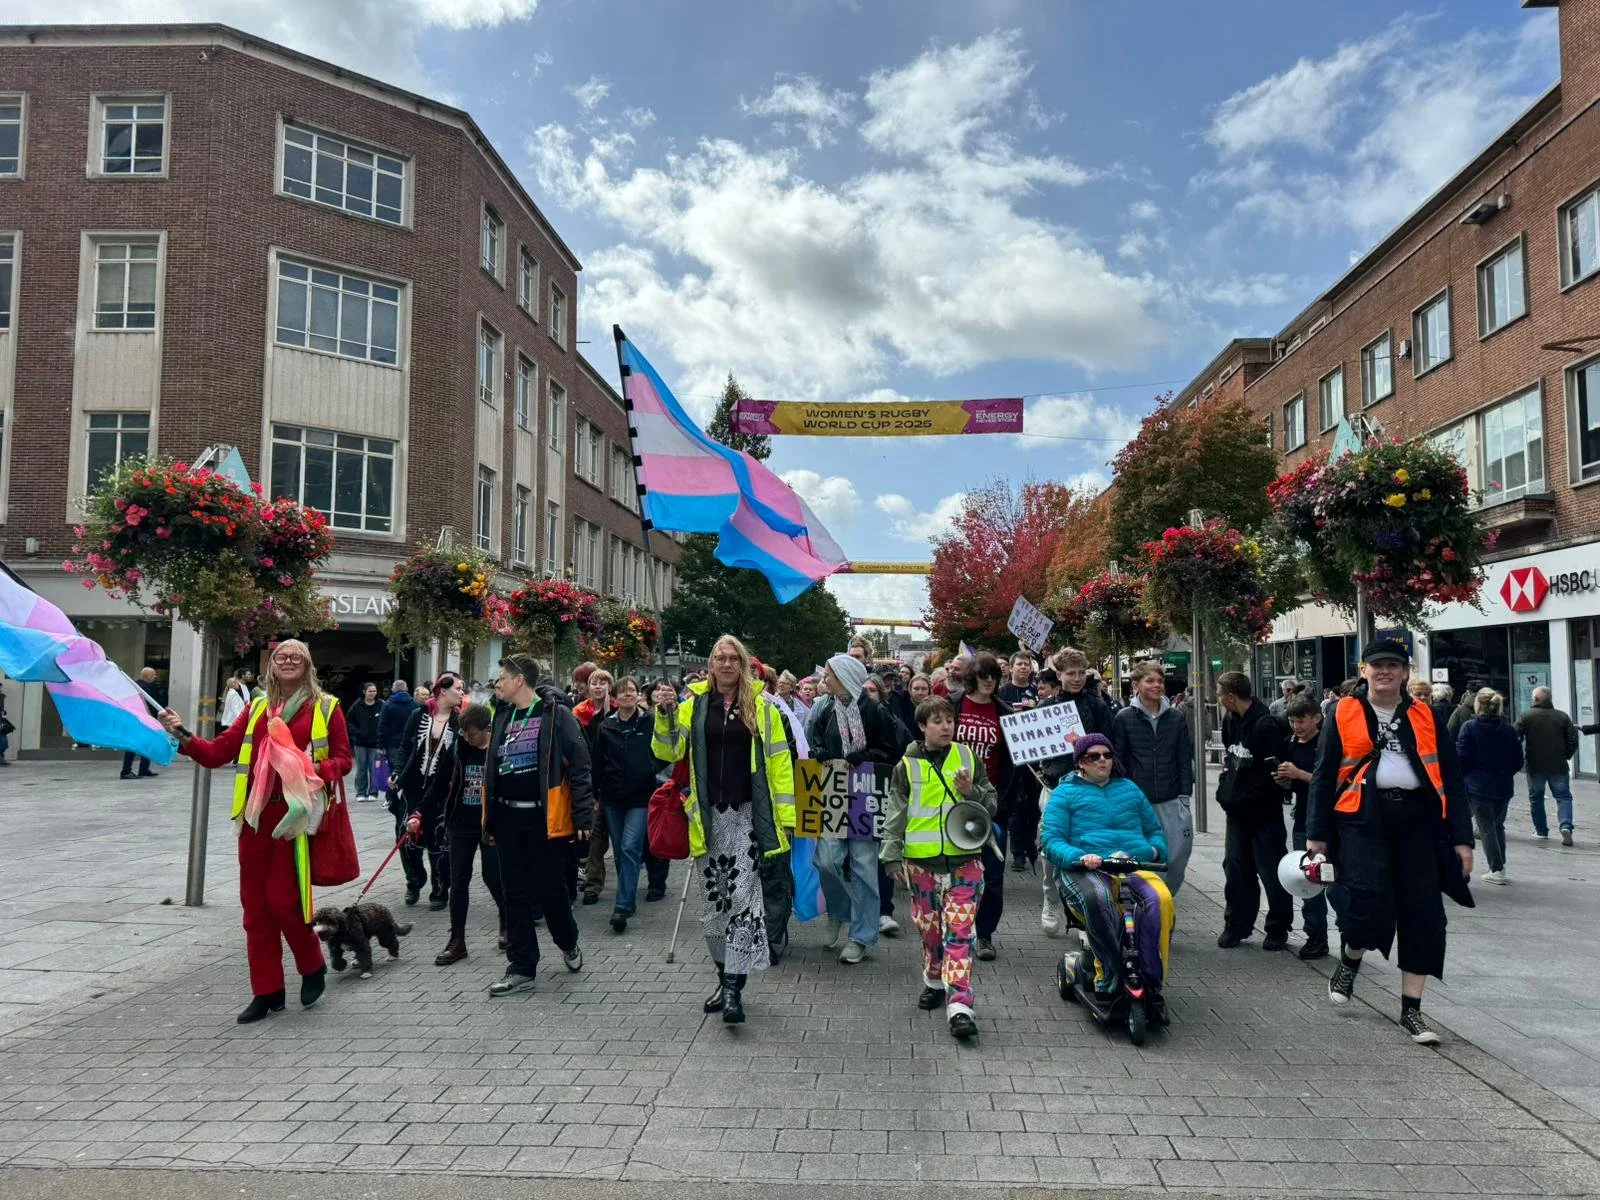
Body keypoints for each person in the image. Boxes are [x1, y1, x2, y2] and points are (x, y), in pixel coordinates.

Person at [160, 639, 348, 1023]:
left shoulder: (326, 707)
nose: (289, 660)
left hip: (294, 824)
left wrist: (313, 769)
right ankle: (267, 991)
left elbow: (344, 760)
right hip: (255, 821)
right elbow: (218, 753)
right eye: (282, 656)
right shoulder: (257, 708)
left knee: (284, 904)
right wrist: (182, 735)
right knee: (255, 911)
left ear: (308, 664)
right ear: (271, 665)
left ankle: (311, 965)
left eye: (296, 656)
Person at [1307, 639, 1473, 1044]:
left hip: (1418, 821)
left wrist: (1462, 839)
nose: (1385, 671)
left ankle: (1411, 1012)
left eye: (1393, 665)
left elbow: (1451, 778)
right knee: (1367, 904)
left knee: (1424, 915)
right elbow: (1325, 773)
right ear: (1364, 671)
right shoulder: (1343, 711)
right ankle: (1351, 955)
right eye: (1377, 665)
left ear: (1405, 673)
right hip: (1361, 819)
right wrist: (1317, 836)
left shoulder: (1425, 715)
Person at [651, 634, 793, 1025]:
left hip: (747, 818)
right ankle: (721, 976)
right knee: (715, 906)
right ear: (711, 664)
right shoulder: (693, 705)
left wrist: (785, 818)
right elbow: (668, 751)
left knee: (744, 904)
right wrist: (663, 714)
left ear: (743, 664)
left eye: (733, 658)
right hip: (707, 818)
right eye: (719, 657)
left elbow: (780, 764)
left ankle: (734, 987)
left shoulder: (762, 707)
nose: (726, 664)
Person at [879, 695, 996, 1040]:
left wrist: (970, 790)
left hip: (966, 861)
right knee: (931, 934)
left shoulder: (967, 757)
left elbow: (992, 802)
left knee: (959, 933)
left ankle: (959, 1005)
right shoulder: (906, 765)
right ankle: (933, 978)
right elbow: (895, 812)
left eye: (950, 720)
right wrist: (890, 855)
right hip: (922, 864)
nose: (946, 727)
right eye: (937, 721)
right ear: (922, 727)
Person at [481, 653, 593, 997]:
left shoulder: (556, 715)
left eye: (502, 677)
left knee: (551, 891)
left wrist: (583, 816)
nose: (498, 682)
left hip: (545, 818)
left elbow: (579, 764)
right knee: (513, 894)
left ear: (519, 680)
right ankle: (521, 967)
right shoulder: (500, 715)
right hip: (507, 817)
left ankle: (568, 941)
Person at [1040, 733, 1171, 1016]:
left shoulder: (1130, 789)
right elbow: (1050, 840)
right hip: (1087, 869)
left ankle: (1150, 978)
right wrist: (1079, 857)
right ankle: (1110, 975)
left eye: (1107, 755)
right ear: (1080, 764)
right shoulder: (1065, 793)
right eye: (1094, 756)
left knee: (1160, 899)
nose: (1102, 760)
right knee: (1098, 897)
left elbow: (1155, 833)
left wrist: (1154, 852)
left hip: (1130, 865)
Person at [811, 652, 900, 963]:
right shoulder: (826, 709)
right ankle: (838, 910)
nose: (825, 681)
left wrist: (865, 756)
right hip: (834, 790)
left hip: (864, 794)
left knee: (863, 868)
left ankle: (861, 937)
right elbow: (817, 740)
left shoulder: (875, 711)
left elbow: (892, 749)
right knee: (826, 860)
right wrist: (821, 752)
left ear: (845, 678)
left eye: (830, 676)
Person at [1215, 671, 1294, 951]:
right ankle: (1237, 925)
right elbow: (1231, 758)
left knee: (1271, 871)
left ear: (1230, 696)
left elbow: (1274, 772)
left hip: (1264, 813)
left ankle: (1277, 928)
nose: (1219, 698)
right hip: (1237, 813)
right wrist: (1226, 789)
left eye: (1220, 693)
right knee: (1235, 868)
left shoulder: (1266, 725)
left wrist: (1248, 797)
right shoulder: (1230, 721)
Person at [430, 702, 505, 965]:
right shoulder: (458, 749)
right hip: (459, 823)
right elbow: (439, 784)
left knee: (493, 877)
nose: (467, 738)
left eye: (472, 734)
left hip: (490, 825)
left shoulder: (498, 750)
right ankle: (457, 940)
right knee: (458, 881)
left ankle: (506, 920)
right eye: (463, 734)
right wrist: (419, 812)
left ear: (487, 729)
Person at [1110, 661, 1194, 895]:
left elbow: (1184, 757)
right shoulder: (1124, 718)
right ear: (1136, 685)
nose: (1157, 685)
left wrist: (1185, 795)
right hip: (1138, 799)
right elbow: (1119, 759)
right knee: (1143, 855)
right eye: (1150, 681)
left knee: (1177, 856)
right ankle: (1149, 903)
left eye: (1160, 681)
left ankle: (1167, 896)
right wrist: (1123, 794)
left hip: (1171, 798)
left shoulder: (1176, 717)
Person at [953, 653, 1016, 961]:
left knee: (992, 875)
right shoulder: (953, 706)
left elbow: (1013, 763)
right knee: (957, 873)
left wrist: (1002, 801)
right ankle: (958, 930)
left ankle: (986, 934)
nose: (989, 680)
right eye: (982, 674)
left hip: (991, 804)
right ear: (971, 677)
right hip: (951, 804)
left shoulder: (1004, 713)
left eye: (993, 675)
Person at [592, 677, 660, 933]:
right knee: (620, 851)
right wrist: (594, 794)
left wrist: (652, 771)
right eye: (623, 692)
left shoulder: (649, 722)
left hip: (640, 797)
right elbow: (596, 761)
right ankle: (627, 895)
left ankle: (622, 905)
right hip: (612, 797)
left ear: (638, 694)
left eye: (632, 690)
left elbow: (662, 753)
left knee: (631, 847)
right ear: (615, 696)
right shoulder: (606, 726)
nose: (628, 695)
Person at [395, 673, 465, 910]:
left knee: (439, 840)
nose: (462, 692)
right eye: (458, 688)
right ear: (443, 691)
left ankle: (439, 887)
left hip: (442, 790)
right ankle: (414, 880)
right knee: (406, 838)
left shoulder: (460, 721)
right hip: (413, 786)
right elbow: (405, 747)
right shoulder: (418, 715)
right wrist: (398, 771)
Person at [1274, 697, 1328, 959]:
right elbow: (1293, 784)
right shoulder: (1289, 745)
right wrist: (1284, 781)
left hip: (1331, 821)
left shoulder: (1327, 743)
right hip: (1303, 819)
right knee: (1308, 880)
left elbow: (1333, 782)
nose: (1296, 726)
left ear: (1316, 718)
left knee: (1337, 884)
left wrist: (1300, 774)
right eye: (1292, 721)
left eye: (1301, 720)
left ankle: (1352, 934)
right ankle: (1315, 936)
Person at [1457, 688, 1523, 884]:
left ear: (1478, 705)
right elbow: (1518, 759)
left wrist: (1465, 775)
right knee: (1497, 826)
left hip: (1477, 785)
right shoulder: (1508, 729)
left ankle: (1496, 868)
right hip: (1503, 785)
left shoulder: (1469, 727)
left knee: (1486, 827)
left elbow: (1462, 756)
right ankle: (1500, 865)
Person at [1516, 686, 1579, 845]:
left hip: (1535, 765)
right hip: (1558, 764)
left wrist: (1520, 758)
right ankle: (1565, 825)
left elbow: (1515, 738)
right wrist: (1566, 755)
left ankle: (1541, 831)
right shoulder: (1562, 717)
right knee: (1563, 797)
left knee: (1536, 798)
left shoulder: (1526, 716)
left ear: (1536, 699)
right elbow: (1573, 740)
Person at [576, 669, 617, 907]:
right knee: (595, 836)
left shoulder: (617, 711)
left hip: (614, 780)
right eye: (594, 683)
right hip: (590, 779)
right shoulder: (580, 713)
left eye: (603, 682)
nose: (598, 687)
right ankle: (593, 884)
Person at [378, 678, 419, 897]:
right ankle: (414, 879)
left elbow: (382, 727)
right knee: (403, 832)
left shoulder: (389, 706)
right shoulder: (414, 710)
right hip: (405, 769)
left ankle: (417, 879)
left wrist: (381, 745)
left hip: (396, 749)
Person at [121, 666, 166, 779]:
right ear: (146, 676)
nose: (155, 677)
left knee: (147, 744)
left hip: (145, 720)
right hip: (141, 720)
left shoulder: (148, 686)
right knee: (134, 745)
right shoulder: (140, 687)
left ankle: (144, 769)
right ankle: (126, 771)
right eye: (153, 675)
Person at [346, 682, 383, 801]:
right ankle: (361, 792)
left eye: (374, 691)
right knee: (361, 768)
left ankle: (373, 792)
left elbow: (386, 721)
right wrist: (357, 732)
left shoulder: (382, 705)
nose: (372, 693)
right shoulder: (356, 706)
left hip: (375, 743)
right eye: (370, 691)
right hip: (360, 742)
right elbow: (349, 721)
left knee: (374, 768)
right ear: (364, 692)